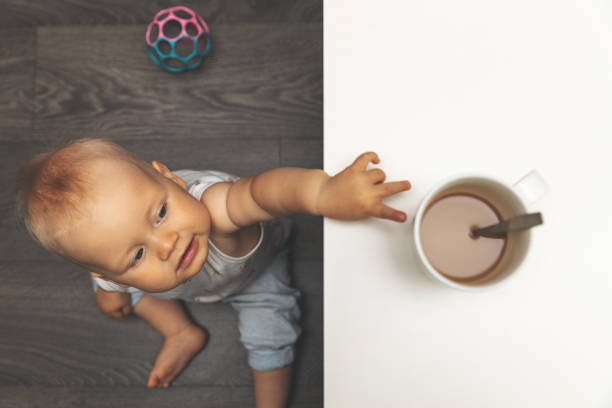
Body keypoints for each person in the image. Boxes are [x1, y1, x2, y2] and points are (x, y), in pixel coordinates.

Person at [14, 138, 411, 408]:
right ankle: (181, 332)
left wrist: (321, 194)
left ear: (169, 178)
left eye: (162, 213)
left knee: (270, 334)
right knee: (125, 292)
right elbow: (104, 271)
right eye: (138, 253)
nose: (166, 243)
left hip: (256, 273)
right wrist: (109, 289)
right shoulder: (110, 263)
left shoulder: (216, 209)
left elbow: (262, 193)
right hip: (178, 285)